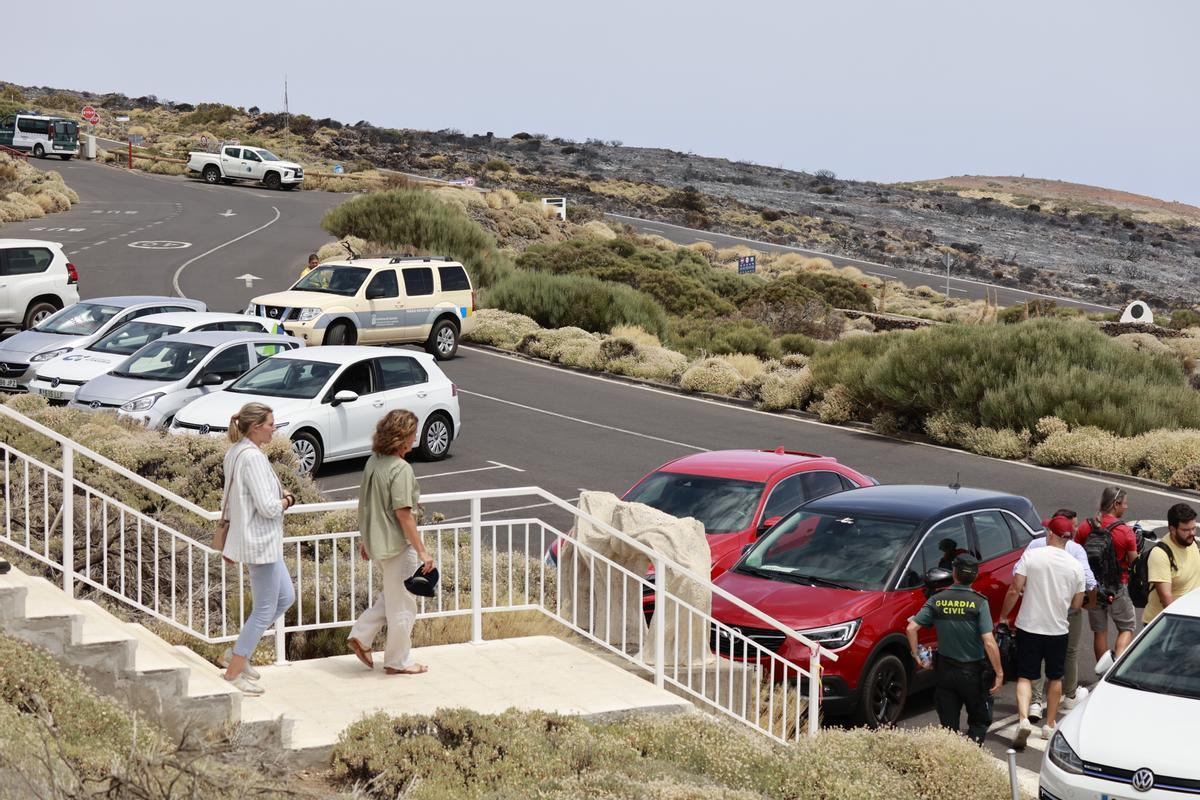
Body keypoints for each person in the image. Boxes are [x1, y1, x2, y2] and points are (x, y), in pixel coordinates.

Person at [346, 410, 436, 675]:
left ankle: (362, 635)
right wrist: (422, 552)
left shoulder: (374, 462)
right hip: (398, 546)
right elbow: (403, 514)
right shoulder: (400, 469)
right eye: (413, 433)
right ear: (403, 437)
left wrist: (366, 539)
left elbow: (365, 505)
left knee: (393, 596)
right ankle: (398, 661)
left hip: (379, 546)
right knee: (404, 604)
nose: (415, 437)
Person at [218, 402, 296, 695]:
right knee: (265, 608)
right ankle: (234, 671)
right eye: (270, 424)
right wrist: (287, 501)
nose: (274, 429)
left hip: (261, 541)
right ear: (255, 427)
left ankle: (239, 652)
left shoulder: (236, 452)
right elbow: (266, 507)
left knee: (286, 597)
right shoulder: (252, 458)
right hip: (260, 541)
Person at [999, 517, 1085, 748]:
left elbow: (1015, 588)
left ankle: (1024, 719)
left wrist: (1004, 616)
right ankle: (1049, 724)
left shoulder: (1032, 556)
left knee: (1026, 676)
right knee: (1055, 677)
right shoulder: (1076, 566)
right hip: (1057, 629)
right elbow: (1077, 603)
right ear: (1068, 538)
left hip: (1029, 626)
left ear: (1050, 534)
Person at [906, 554, 1004, 745]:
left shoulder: (937, 600)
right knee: (979, 719)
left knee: (948, 725)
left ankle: (952, 755)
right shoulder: (979, 602)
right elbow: (989, 641)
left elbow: (911, 628)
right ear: (974, 577)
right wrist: (999, 673)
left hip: (945, 671)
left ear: (954, 573)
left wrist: (917, 655)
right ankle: (971, 753)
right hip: (973, 673)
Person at [1018, 510, 1097, 723]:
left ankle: (1034, 703)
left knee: (1034, 662)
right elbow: (1089, 581)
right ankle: (1069, 696)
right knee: (1068, 654)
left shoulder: (1034, 547)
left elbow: (1017, 577)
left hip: (1035, 610)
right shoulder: (1076, 551)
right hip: (1066, 610)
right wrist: (1089, 602)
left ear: (1051, 531)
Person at [1074, 487, 1138, 660]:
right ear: (1116, 504)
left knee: (1099, 632)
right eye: (1124, 504)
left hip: (1093, 588)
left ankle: (1102, 672)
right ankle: (1116, 665)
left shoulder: (1085, 526)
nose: (1126, 507)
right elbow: (1134, 562)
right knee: (1126, 628)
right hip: (1117, 587)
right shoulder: (1125, 532)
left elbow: (1076, 553)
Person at [1142, 503, 1200, 623]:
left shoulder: (1191, 542)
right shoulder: (1161, 554)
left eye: (1194, 528)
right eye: (1186, 530)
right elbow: (1166, 599)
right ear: (1172, 529)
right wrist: (1186, 624)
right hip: (1167, 624)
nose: (1192, 533)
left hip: (1190, 618)